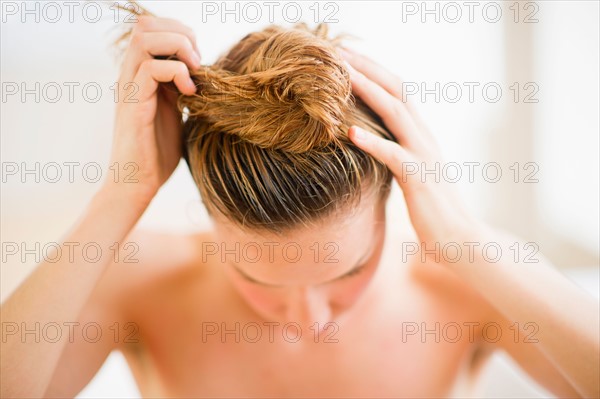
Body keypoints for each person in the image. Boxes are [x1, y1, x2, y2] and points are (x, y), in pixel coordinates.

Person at [1, 11, 598, 399]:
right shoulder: (147, 283)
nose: (308, 321)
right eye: (256, 277)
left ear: (397, 199)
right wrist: (120, 194)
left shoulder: (471, 287)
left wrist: (468, 242)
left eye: (347, 273)